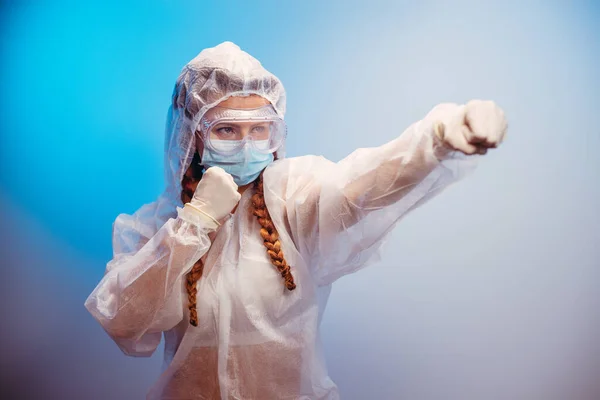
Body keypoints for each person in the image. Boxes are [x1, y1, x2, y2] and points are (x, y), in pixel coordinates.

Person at [85, 41, 507, 399]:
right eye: (227, 130)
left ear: (277, 132)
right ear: (191, 131)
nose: (247, 144)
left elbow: (362, 186)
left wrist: (436, 139)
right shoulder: (155, 226)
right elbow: (125, 319)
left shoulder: (291, 196)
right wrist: (194, 223)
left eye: (260, 129)